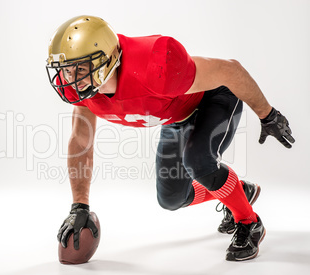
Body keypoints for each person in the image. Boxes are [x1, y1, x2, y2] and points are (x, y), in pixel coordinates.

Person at [46, 15, 295, 261]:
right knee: (172, 199)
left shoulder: (154, 65)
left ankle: (249, 222)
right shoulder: (81, 89)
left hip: (213, 98)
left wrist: (268, 114)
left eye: (80, 68)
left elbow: (230, 70)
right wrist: (80, 206)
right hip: (177, 117)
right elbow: (81, 141)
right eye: (66, 69)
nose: (71, 79)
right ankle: (237, 191)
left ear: (108, 60)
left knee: (199, 162)